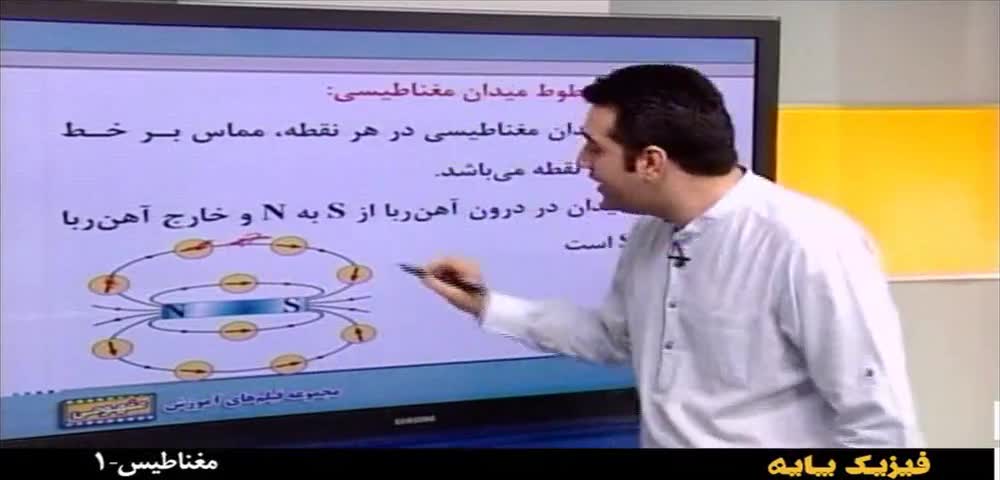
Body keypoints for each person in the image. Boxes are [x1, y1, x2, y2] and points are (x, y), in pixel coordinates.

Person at [418, 64, 925, 448]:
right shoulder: (652, 234)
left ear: (650, 162)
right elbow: (614, 338)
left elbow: (880, 422)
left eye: (594, 148)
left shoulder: (809, 244)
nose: (582, 162)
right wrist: (484, 303)